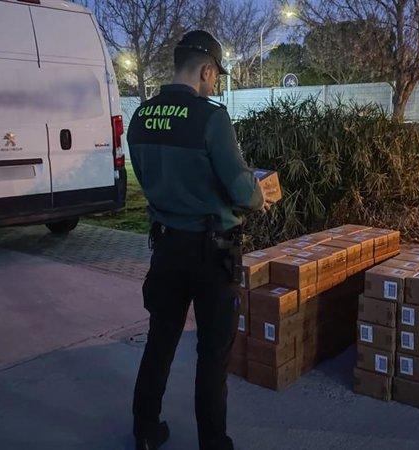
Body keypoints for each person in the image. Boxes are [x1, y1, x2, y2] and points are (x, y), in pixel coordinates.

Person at [127, 30, 275, 450]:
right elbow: (243, 191)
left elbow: (151, 177)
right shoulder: (211, 117)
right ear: (206, 70)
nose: (214, 84)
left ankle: (145, 432)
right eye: (214, 77)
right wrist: (258, 194)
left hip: (167, 247)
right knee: (212, 353)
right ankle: (213, 443)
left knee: (161, 339)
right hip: (212, 254)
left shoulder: (140, 116)